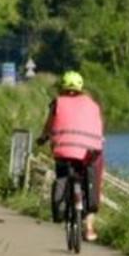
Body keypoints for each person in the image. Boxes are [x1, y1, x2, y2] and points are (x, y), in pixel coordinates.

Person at [39, 70, 105, 242]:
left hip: (64, 151)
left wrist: (43, 137)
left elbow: (48, 126)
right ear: (81, 88)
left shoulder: (57, 103)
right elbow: (98, 127)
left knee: (62, 173)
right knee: (92, 183)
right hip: (90, 153)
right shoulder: (93, 104)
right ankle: (89, 228)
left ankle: (61, 207)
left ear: (62, 87)